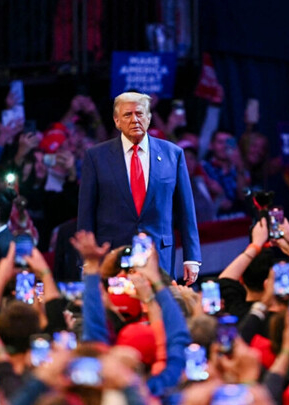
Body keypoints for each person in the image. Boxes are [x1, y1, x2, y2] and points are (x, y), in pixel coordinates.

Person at [77, 91, 201, 283]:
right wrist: (86, 260)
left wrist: (192, 257)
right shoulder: (96, 157)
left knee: (159, 309)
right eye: (128, 115)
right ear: (117, 121)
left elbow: (186, 210)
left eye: (140, 114)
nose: (135, 119)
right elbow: (86, 212)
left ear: (149, 118)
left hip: (159, 255)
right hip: (112, 256)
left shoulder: (173, 154)